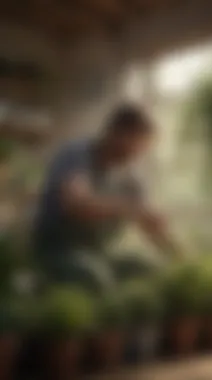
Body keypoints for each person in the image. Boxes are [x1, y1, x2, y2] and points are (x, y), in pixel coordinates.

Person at [32, 104, 182, 293]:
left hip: (100, 253)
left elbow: (150, 223)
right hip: (58, 252)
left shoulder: (130, 177)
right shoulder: (77, 156)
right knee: (93, 278)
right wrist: (129, 209)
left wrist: (182, 259)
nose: (139, 151)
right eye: (136, 142)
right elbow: (76, 206)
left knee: (147, 270)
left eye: (144, 144)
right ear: (115, 134)